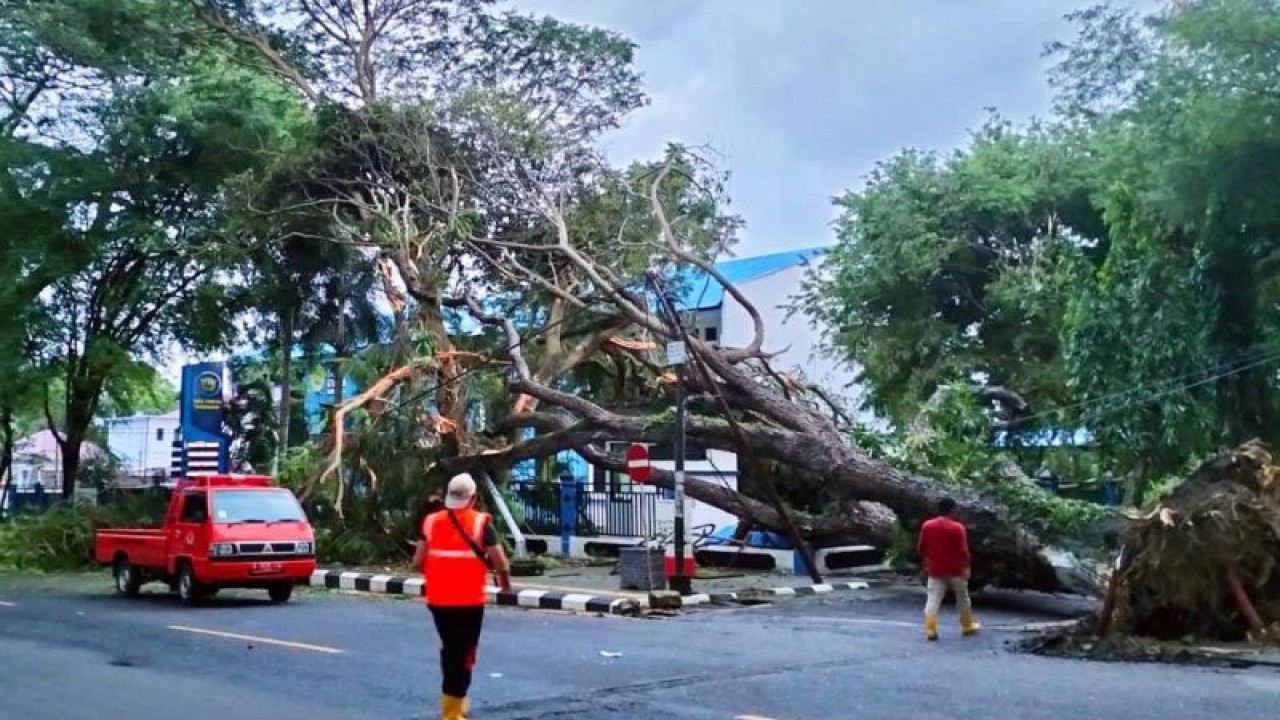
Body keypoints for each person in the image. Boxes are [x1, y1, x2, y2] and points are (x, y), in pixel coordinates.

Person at [412, 473, 513, 720]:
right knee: (464, 653)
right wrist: (505, 586)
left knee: (451, 649)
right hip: (468, 602)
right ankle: (452, 712)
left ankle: (456, 704)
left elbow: (417, 562)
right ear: (474, 497)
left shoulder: (431, 522)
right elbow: (501, 563)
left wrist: (439, 573)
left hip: (438, 600)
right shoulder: (481, 523)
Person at [916, 497, 981, 641]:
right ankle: (967, 625)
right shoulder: (958, 528)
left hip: (935, 569)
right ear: (952, 510)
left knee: (933, 599)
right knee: (962, 598)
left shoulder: (928, 525)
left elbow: (921, 547)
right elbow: (963, 551)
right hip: (956, 570)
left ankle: (930, 629)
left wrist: (926, 561)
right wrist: (966, 567)